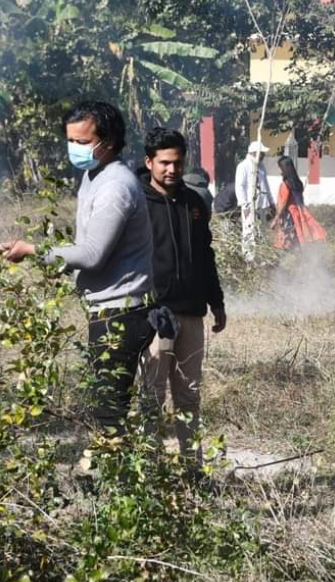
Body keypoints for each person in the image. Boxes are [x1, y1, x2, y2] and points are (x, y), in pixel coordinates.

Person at [1, 101, 154, 439]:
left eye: (83, 142)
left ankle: (118, 482)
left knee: (108, 407)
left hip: (122, 312)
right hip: (106, 308)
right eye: (71, 141)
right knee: (103, 402)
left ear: (108, 142)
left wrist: (32, 251)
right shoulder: (93, 176)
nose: (75, 149)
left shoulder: (115, 186)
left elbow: (92, 254)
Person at [137, 128, 226, 467]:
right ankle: (151, 467)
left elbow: (206, 255)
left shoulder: (194, 203)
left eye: (177, 162)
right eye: (164, 163)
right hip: (153, 314)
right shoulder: (137, 202)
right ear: (150, 162)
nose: (171, 169)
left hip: (191, 313)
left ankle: (192, 467)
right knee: (152, 396)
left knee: (188, 395)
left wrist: (216, 302)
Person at [270, 156, 326, 249]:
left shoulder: (285, 184)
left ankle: (290, 261)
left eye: (279, 167)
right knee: (298, 240)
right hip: (298, 214)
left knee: (287, 242)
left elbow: (283, 204)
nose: (278, 169)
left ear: (284, 168)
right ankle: (302, 259)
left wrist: (275, 220)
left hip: (289, 216)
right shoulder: (297, 183)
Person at [235, 140, 276, 260]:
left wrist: (271, 203)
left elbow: (266, 185)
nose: (263, 156)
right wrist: (244, 205)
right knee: (249, 232)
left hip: (262, 205)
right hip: (249, 206)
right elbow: (240, 186)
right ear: (253, 153)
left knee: (262, 231)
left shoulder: (261, 166)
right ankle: (249, 259)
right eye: (261, 153)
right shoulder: (243, 166)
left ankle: (261, 257)